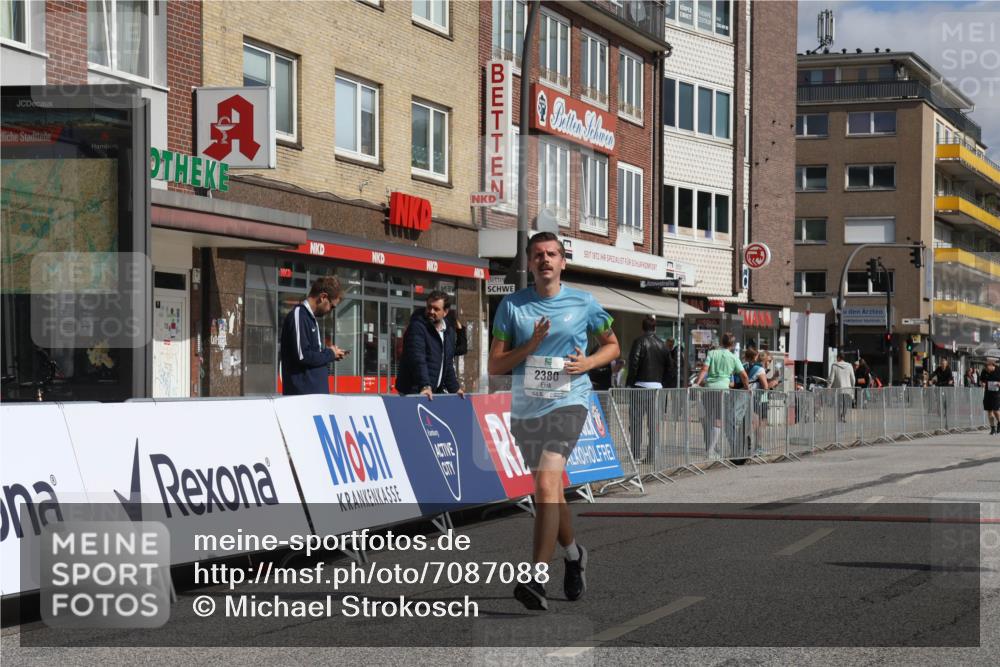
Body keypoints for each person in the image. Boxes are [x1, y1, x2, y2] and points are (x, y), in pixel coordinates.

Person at [488, 232, 620, 611]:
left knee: (547, 482)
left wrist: (589, 362)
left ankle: (536, 578)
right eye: (538, 255)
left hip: (569, 402)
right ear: (529, 263)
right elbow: (495, 364)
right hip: (527, 407)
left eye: (552, 254)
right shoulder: (512, 306)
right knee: (549, 493)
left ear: (563, 262)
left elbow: (612, 345)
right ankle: (574, 555)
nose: (545, 260)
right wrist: (529, 346)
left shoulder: (584, 302)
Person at [279, 276, 347, 396]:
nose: (330, 310)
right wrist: (330, 354)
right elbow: (302, 356)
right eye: (332, 306)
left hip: (315, 397)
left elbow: (309, 354)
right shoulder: (299, 315)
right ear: (323, 297)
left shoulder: (310, 318)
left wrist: (330, 353)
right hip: (303, 398)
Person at [395, 290, 463, 400]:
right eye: (429, 307)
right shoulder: (417, 326)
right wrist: (425, 385)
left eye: (436, 309)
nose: (431, 311)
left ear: (445, 312)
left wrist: (455, 388)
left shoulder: (448, 331)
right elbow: (417, 358)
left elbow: (447, 363)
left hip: (433, 392)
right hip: (414, 392)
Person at [694, 333, 750, 460]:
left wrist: (697, 383)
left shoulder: (712, 353)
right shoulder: (733, 357)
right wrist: (747, 388)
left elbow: (704, 369)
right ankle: (710, 450)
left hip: (708, 389)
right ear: (732, 344)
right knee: (718, 421)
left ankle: (711, 449)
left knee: (709, 419)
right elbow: (744, 376)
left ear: (721, 342)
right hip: (723, 391)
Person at [626, 316, 667, 462]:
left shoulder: (639, 342)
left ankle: (635, 455)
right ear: (655, 328)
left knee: (636, 422)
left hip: (640, 387)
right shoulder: (662, 344)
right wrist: (663, 383)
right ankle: (652, 455)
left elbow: (633, 363)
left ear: (642, 328)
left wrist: (629, 383)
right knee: (654, 423)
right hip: (657, 388)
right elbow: (669, 367)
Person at [828, 352, 856, 422]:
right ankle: (843, 416)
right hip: (847, 389)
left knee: (838, 404)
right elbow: (853, 379)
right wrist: (852, 387)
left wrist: (828, 387)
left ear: (838, 358)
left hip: (838, 389)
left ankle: (838, 417)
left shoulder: (834, 366)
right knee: (845, 404)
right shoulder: (849, 366)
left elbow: (831, 379)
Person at [980, 358, 1000, 435]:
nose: (987, 371)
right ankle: (992, 428)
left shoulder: (998, 370)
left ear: (992, 365)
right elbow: (981, 380)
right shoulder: (984, 371)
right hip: (988, 392)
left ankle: (999, 423)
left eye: (988, 369)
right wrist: (982, 383)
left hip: (997, 393)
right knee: (989, 410)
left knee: (995, 410)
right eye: (986, 369)